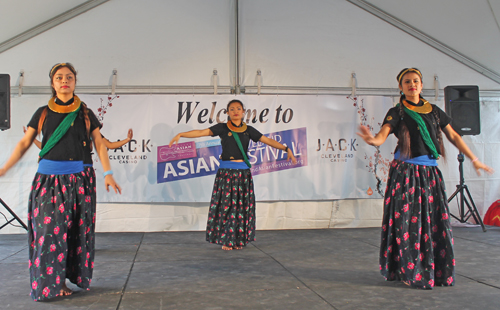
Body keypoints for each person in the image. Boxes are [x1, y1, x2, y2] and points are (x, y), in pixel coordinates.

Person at [357, 68, 493, 289]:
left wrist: (474, 159)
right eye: (407, 82)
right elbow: (382, 136)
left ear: (421, 86)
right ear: (401, 87)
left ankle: (435, 272)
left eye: (416, 81)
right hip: (406, 174)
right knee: (408, 225)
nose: (412, 85)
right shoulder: (397, 112)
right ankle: (411, 272)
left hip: (430, 174)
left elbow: (454, 136)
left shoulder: (435, 112)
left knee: (434, 224)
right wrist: (372, 140)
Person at [0, 63, 121, 301]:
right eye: (59, 77)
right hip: (48, 182)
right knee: (48, 233)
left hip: (80, 180)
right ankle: (48, 285)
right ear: (53, 83)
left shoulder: (85, 113)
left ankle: (64, 280)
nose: (64, 80)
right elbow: (25, 143)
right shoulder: (42, 112)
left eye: (69, 77)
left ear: (74, 81)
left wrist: (108, 172)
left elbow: (99, 143)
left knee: (75, 232)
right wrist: (5, 167)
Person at [169, 99, 298, 250]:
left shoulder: (249, 130)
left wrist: (286, 148)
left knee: (241, 207)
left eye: (238, 108)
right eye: (232, 109)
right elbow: (201, 132)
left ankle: (238, 240)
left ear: (243, 112)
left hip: (243, 174)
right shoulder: (222, 128)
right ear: (227, 112)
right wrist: (181, 134)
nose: (235, 111)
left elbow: (267, 140)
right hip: (226, 173)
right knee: (226, 206)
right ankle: (227, 240)